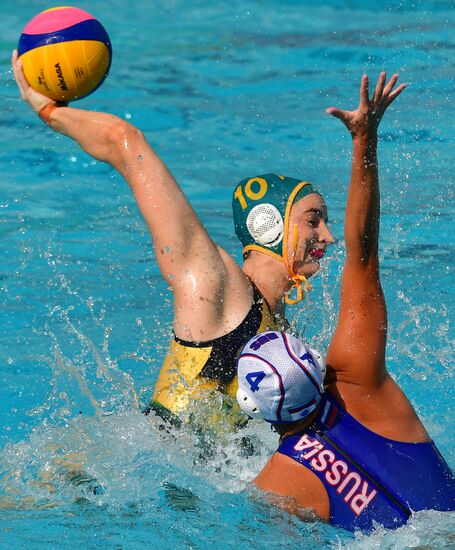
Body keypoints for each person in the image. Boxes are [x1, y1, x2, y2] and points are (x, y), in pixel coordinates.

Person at [12, 51, 334, 428]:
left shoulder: (284, 334)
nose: (327, 237)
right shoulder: (213, 282)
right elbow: (124, 143)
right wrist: (49, 112)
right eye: (313, 220)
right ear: (267, 224)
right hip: (137, 468)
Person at [236, 74, 455, 530]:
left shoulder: (273, 487)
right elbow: (363, 250)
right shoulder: (359, 381)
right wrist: (364, 139)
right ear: (315, 363)